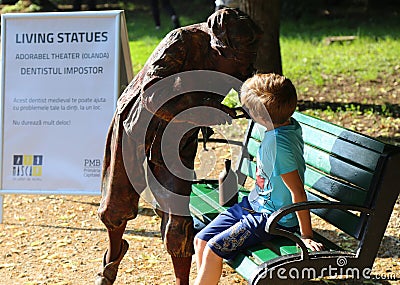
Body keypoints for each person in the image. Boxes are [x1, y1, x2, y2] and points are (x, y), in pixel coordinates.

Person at [95, 8, 263, 285]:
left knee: (178, 216)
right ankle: (112, 257)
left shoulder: (239, 53)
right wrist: (206, 110)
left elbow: (248, 84)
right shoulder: (181, 42)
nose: (242, 69)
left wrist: (262, 106)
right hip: (137, 126)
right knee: (116, 204)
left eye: (247, 62)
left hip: (179, 137)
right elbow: (152, 94)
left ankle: (182, 282)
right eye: (237, 62)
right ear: (217, 50)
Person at [193, 73, 324, 285]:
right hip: (253, 205)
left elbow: (298, 192)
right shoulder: (285, 124)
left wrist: (306, 235)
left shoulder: (279, 145)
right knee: (201, 240)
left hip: (272, 219)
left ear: (260, 117)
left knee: (213, 250)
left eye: (248, 110)